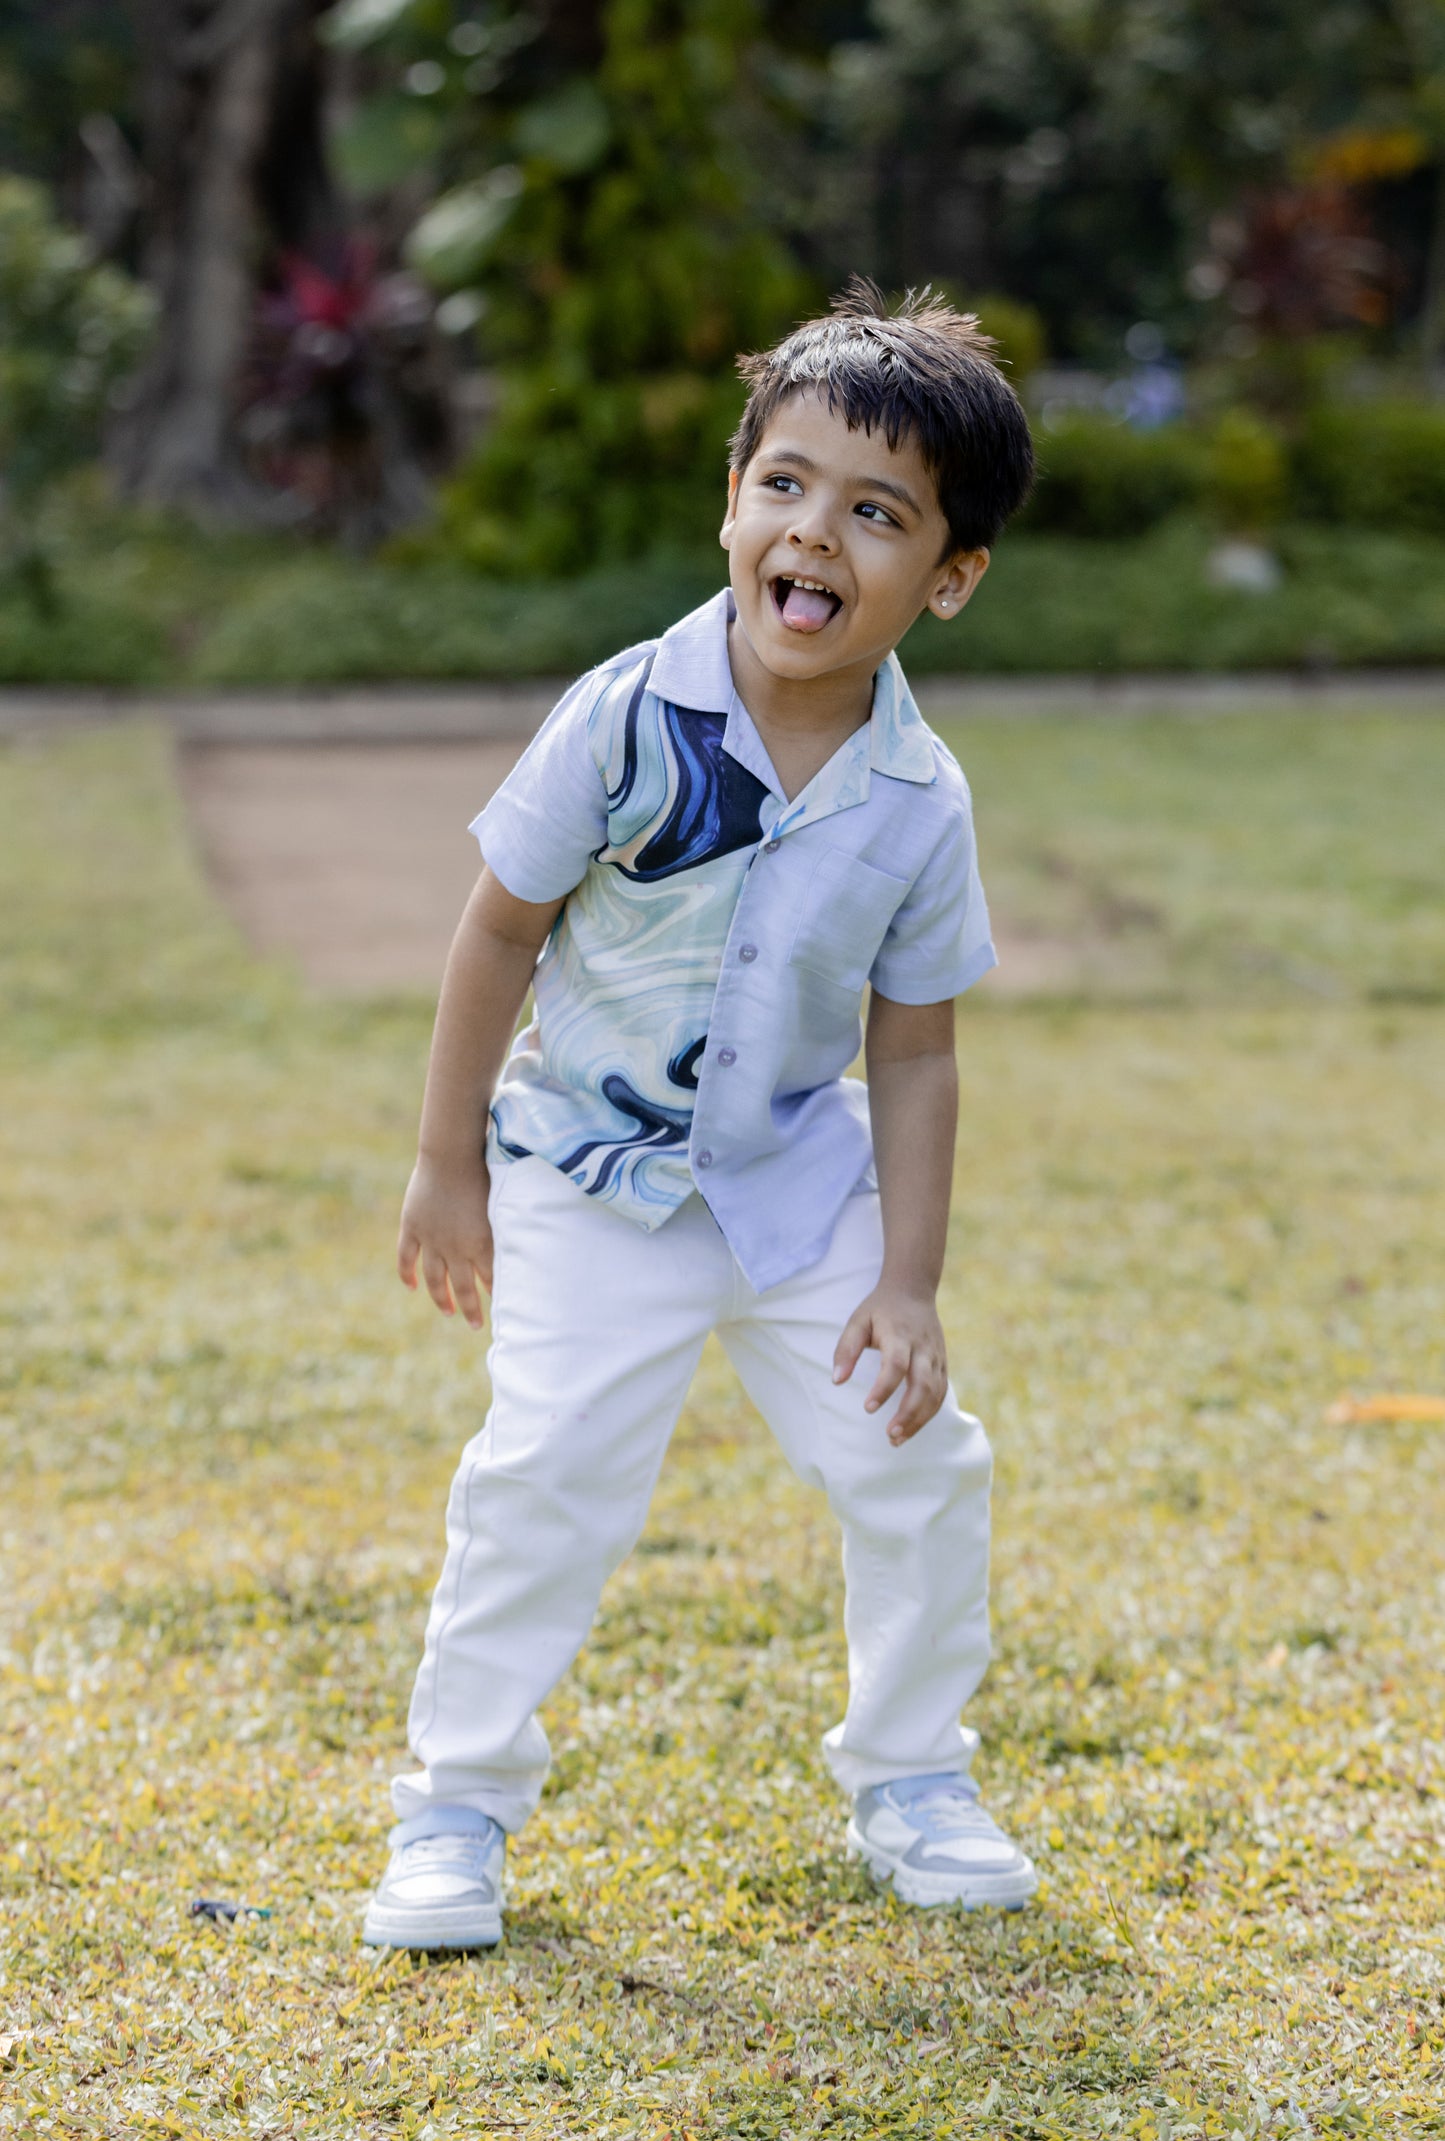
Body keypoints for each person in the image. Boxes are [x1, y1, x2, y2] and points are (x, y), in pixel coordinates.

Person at [362, 281, 1037, 1951]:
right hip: (591, 1182)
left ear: (947, 578)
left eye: (875, 513)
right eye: (784, 485)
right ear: (732, 501)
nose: (815, 533)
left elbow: (918, 1050)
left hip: (797, 1193)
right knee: (546, 1474)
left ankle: (910, 1772)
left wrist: (909, 1280)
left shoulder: (916, 794)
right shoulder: (621, 715)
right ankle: (455, 1805)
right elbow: (497, 930)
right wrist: (448, 1165)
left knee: (918, 1465)